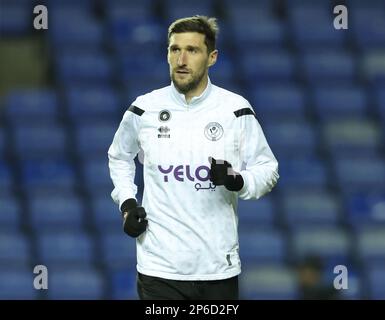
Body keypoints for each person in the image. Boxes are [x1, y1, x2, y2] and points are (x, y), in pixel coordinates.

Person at [108, 15, 279, 300]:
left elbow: (268, 170)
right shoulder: (144, 109)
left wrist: (238, 180)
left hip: (217, 268)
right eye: (175, 49)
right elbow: (119, 156)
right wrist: (127, 203)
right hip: (159, 268)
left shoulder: (235, 110)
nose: (182, 59)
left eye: (193, 50)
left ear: (212, 57)